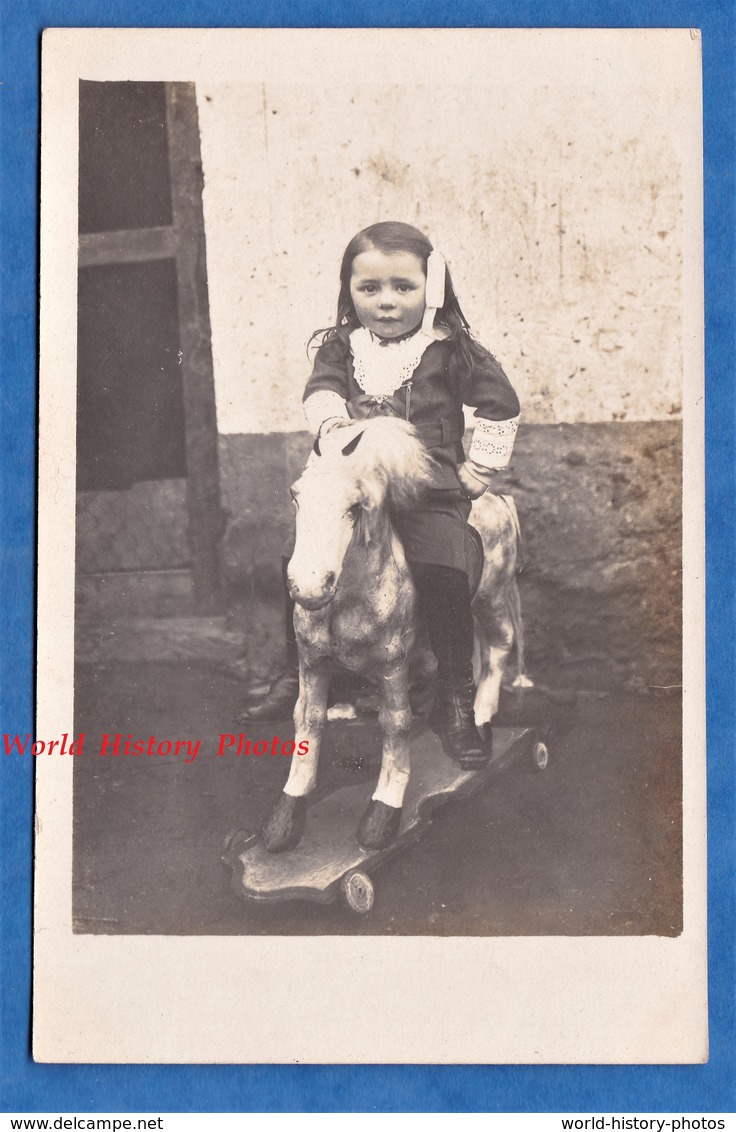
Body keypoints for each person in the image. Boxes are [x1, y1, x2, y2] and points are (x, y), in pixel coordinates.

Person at [241, 221, 520, 766]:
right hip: (353, 478)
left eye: (403, 287)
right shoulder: (341, 347)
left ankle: (455, 696)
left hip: (425, 485)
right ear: (349, 291)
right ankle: (295, 670)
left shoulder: (451, 351)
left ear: (431, 288)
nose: (386, 303)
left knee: (442, 566)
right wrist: (330, 426)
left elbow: (499, 406)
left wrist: (479, 472)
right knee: (300, 557)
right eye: (369, 289)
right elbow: (321, 391)